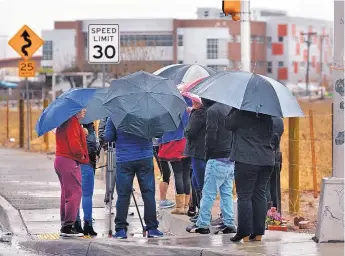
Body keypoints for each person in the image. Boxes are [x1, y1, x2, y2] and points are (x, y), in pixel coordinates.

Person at [104, 118, 163, 239]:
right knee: (148, 193)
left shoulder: (115, 114)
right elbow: (159, 133)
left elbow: (108, 137)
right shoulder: (147, 112)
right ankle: (152, 228)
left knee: (123, 194)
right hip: (144, 157)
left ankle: (120, 230)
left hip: (124, 159)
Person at [186, 98, 236, 235]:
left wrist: (208, 155)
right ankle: (229, 223)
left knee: (208, 194)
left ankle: (203, 224)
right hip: (229, 158)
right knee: (226, 194)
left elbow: (211, 135)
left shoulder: (213, 111)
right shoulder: (230, 107)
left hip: (216, 158)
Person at [225, 109, 274, 242]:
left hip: (246, 160)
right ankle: (258, 233)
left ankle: (244, 232)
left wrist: (233, 109)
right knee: (259, 194)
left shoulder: (240, 113)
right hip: (266, 159)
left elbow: (227, 124)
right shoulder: (267, 114)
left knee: (244, 196)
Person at [54, 109, 88, 237]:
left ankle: (65, 224)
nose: (85, 110)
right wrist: (83, 156)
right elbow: (74, 145)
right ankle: (68, 226)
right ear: (75, 110)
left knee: (66, 193)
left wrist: (81, 133)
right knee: (74, 193)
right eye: (82, 108)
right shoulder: (73, 122)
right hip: (69, 161)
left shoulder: (64, 121)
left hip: (60, 160)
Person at [158, 97, 192, 215]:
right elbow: (187, 126)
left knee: (178, 175)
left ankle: (180, 206)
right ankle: (187, 205)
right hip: (185, 143)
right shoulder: (184, 108)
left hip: (172, 145)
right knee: (186, 175)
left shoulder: (165, 110)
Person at [74, 122, 99, 236]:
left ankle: (77, 222)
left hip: (75, 162)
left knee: (77, 194)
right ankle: (87, 224)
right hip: (85, 161)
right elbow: (90, 144)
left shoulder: (67, 122)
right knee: (86, 194)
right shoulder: (85, 124)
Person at [184, 99, 206, 220]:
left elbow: (190, 132)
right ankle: (200, 211)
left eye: (194, 101)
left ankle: (203, 214)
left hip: (198, 152)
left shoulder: (199, 113)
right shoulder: (206, 112)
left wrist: (192, 114)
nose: (192, 102)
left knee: (199, 183)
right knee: (195, 181)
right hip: (202, 151)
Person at [266, 117, 284, 213]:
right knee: (275, 187)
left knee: (265, 186)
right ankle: (276, 214)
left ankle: (267, 213)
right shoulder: (279, 120)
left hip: (265, 156)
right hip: (276, 155)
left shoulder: (263, 118)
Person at [98, 117, 116, 214]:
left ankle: (127, 203)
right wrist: (105, 145)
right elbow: (101, 131)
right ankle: (108, 202)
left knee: (126, 177)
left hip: (124, 149)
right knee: (111, 177)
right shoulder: (106, 111)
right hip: (111, 149)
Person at [153, 138, 176, 209]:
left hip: (160, 145)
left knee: (166, 172)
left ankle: (163, 199)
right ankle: (162, 200)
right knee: (165, 172)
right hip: (158, 146)